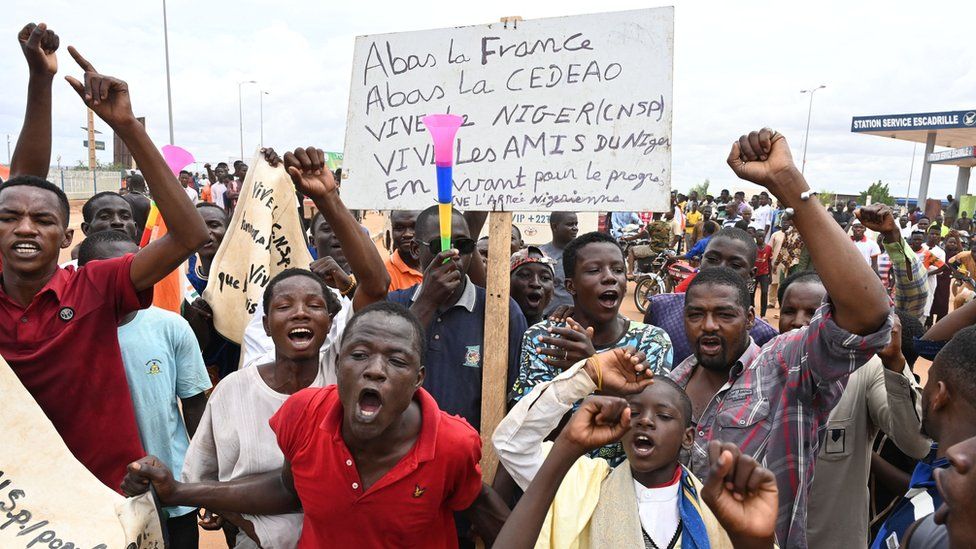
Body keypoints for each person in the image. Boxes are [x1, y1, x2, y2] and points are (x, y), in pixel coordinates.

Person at [665, 128, 892, 547]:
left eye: (725, 315)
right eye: (696, 314)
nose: (709, 326)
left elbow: (867, 316)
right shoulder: (672, 385)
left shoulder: (782, 366)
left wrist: (789, 184)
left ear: (751, 317)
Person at [124, 302, 508, 548]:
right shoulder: (303, 413)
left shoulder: (453, 442)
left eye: (397, 361)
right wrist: (180, 491)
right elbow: (288, 488)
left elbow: (488, 515)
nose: (375, 370)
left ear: (419, 378)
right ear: (338, 365)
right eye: (359, 355)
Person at [0, 44, 209, 491]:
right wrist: (41, 81)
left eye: (42, 220)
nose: (24, 229)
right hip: (18, 507)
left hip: (106, 498)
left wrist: (128, 127)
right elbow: (22, 184)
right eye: (8, 218)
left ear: (67, 236)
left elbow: (189, 237)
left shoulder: (95, 286)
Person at [493, 348, 778, 549]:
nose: (646, 422)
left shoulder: (716, 507)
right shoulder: (582, 482)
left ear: (688, 437)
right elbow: (512, 444)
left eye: (664, 416)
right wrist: (587, 376)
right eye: (635, 412)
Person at [777, 205, 931, 548]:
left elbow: (916, 443)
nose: (800, 321)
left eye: (812, 312)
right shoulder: (762, 370)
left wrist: (894, 364)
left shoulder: (866, 370)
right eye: (789, 311)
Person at [77, 231, 211, 548]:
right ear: (85, 276)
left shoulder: (171, 326)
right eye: (112, 272)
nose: (125, 280)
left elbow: (194, 405)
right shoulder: (69, 331)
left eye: (136, 268)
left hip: (170, 484)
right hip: (102, 488)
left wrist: (204, 478)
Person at [509, 232, 672, 447]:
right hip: (557, 472)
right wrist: (579, 378)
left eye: (618, 270)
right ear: (570, 286)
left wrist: (594, 368)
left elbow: (651, 425)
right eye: (594, 270)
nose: (610, 277)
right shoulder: (543, 338)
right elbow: (530, 425)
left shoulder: (652, 341)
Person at [240, 147, 390, 373]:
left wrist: (327, 197)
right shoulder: (238, 388)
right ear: (266, 323)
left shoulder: (335, 358)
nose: (300, 313)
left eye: (314, 305)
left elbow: (376, 286)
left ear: (330, 321)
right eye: (284, 306)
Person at [389, 206, 527, 431]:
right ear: (415, 249)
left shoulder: (501, 312)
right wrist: (428, 301)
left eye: (463, 245)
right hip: (401, 453)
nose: (452, 254)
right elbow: (385, 365)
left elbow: (517, 402)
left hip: (472, 458)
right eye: (439, 246)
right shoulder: (393, 306)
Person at [872, 325, 976, 549]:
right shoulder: (938, 463)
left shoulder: (937, 523)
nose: (922, 389)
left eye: (927, 380)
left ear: (939, 395)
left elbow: (924, 342)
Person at [642, 227, 779, 365]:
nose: (721, 268)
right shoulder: (660, 308)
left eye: (735, 264)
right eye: (712, 259)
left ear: (751, 274)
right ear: (701, 261)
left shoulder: (764, 336)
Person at [539, 212, 578, 315]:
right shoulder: (541, 254)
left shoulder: (583, 253)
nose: (575, 228)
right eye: (570, 224)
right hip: (548, 319)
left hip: (576, 318)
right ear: (555, 227)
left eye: (576, 224)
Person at [509, 246, 555, 326]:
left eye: (545, 277)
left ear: (553, 291)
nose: (535, 283)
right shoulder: (488, 329)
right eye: (525, 275)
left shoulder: (559, 334)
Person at [385, 210, 423, 292]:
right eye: (399, 228)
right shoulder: (385, 276)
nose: (407, 234)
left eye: (414, 227)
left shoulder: (441, 263)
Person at [752, 229, 773, 317]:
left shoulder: (768, 248)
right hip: (753, 273)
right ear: (755, 237)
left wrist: (770, 276)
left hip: (764, 273)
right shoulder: (752, 247)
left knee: (764, 292)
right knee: (751, 292)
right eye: (759, 236)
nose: (761, 238)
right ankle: (751, 309)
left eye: (763, 236)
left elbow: (769, 262)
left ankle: (763, 314)